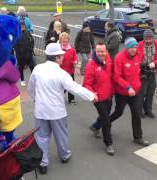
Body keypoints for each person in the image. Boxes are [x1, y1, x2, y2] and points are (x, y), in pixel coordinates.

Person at [28, 43, 97, 174]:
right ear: (57, 57)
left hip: (41, 110)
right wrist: (91, 96)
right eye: (61, 56)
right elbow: (75, 88)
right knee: (61, 135)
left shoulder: (37, 69)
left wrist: (35, 99)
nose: (63, 57)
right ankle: (64, 156)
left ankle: (43, 163)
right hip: (57, 111)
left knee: (42, 137)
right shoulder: (62, 73)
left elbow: (32, 87)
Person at [109, 37, 150, 147]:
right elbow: (116, 77)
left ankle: (138, 137)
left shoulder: (138, 55)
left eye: (135, 47)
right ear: (126, 48)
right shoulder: (119, 58)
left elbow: (143, 61)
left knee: (136, 113)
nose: (134, 49)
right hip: (122, 92)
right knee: (118, 112)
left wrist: (152, 67)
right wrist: (128, 87)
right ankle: (103, 124)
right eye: (131, 47)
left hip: (135, 91)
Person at [83, 42, 114, 155]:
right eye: (98, 51)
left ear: (106, 51)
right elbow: (86, 83)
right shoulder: (91, 65)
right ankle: (108, 143)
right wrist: (92, 94)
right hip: (98, 98)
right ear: (95, 52)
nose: (101, 53)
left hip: (109, 95)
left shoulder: (109, 60)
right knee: (106, 120)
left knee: (104, 116)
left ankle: (95, 126)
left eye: (103, 51)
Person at [137, 29, 157, 118]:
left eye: (150, 38)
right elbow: (136, 58)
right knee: (141, 93)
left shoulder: (156, 44)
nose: (148, 40)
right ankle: (139, 110)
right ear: (144, 38)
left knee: (150, 92)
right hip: (142, 72)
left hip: (152, 72)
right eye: (147, 38)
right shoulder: (139, 45)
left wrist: (154, 63)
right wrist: (142, 65)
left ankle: (148, 109)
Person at [14, 21, 35, 87]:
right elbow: (15, 44)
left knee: (32, 67)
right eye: (21, 26)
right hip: (20, 55)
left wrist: (31, 49)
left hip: (28, 54)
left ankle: (34, 79)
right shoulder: (16, 34)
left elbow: (32, 41)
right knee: (21, 67)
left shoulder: (27, 32)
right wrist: (19, 50)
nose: (22, 27)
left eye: (23, 25)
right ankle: (22, 80)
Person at [59, 32, 78, 105]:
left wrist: (75, 62)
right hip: (61, 71)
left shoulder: (72, 49)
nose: (65, 42)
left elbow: (75, 57)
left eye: (66, 40)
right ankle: (58, 98)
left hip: (70, 71)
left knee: (71, 85)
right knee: (62, 86)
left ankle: (72, 99)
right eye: (63, 41)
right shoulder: (59, 49)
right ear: (60, 40)